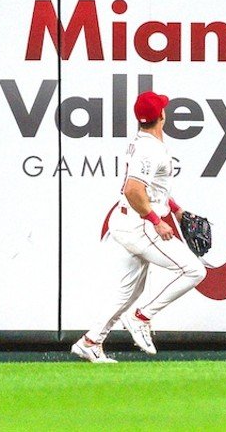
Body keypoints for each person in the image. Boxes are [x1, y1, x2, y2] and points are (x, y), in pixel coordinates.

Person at [72, 91, 207, 364]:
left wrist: (176, 210)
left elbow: (151, 188)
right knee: (194, 270)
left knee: (128, 292)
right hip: (139, 224)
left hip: (128, 221)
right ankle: (141, 317)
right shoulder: (150, 148)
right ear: (162, 116)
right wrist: (156, 221)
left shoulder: (144, 143)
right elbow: (134, 190)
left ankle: (91, 341)